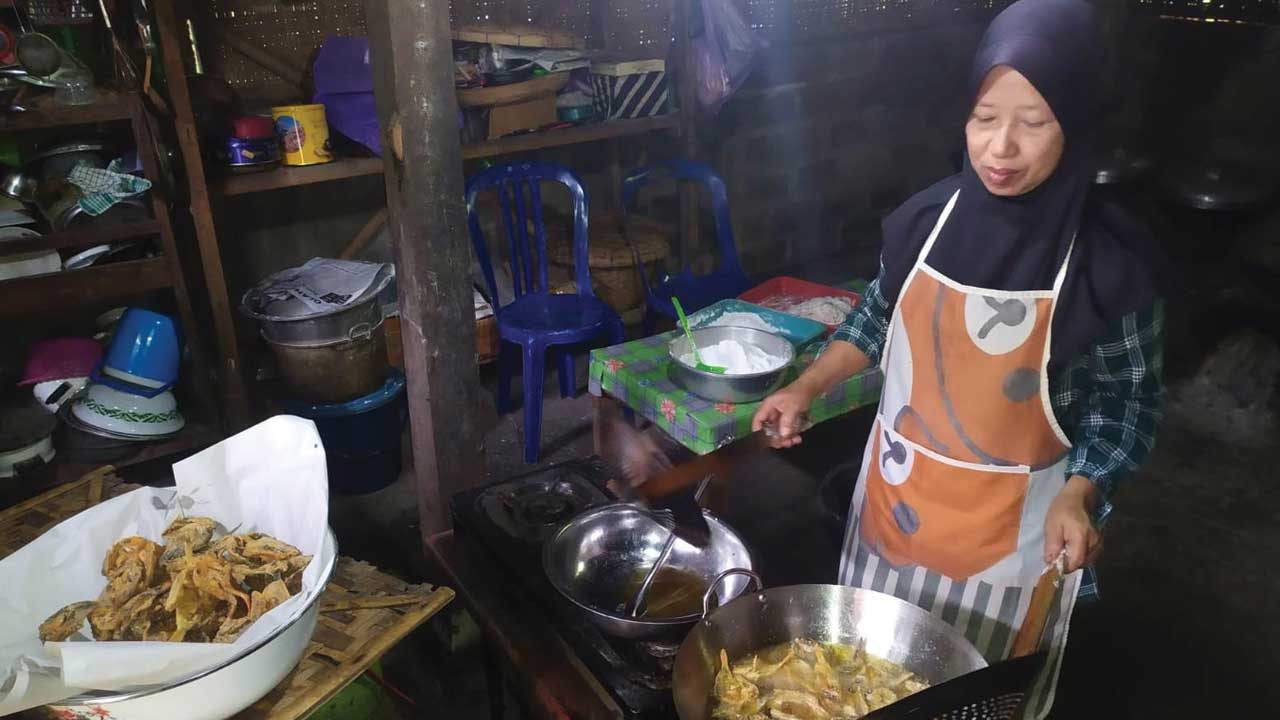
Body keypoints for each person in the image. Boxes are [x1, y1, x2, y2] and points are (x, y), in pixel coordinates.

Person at [751, 0, 1166, 715]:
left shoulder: (1108, 268)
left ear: (1077, 123)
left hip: (1011, 552)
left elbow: (1126, 403)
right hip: (894, 515)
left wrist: (1082, 490)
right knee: (857, 682)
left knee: (974, 699)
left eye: (1034, 122)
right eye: (985, 117)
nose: (1001, 147)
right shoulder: (923, 222)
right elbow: (879, 316)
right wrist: (808, 385)